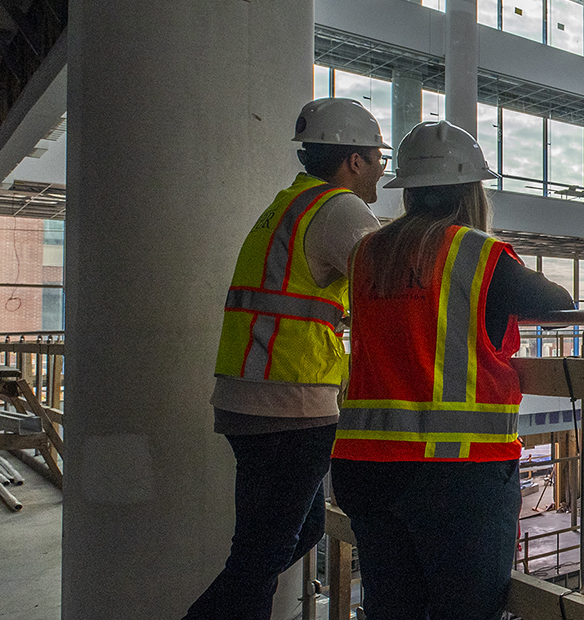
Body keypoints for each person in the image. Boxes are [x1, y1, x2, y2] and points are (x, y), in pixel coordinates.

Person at [330, 120, 574, 619]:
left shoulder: (365, 255)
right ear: (470, 190)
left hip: (365, 467)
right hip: (457, 478)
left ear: (409, 192)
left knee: (391, 610)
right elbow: (558, 304)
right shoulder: (477, 253)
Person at [185, 98, 390, 620]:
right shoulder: (340, 209)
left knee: (295, 536)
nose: (382, 169)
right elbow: (388, 286)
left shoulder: (287, 204)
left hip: (251, 392)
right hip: (288, 401)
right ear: (353, 161)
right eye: (378, 158)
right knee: (257, 559)